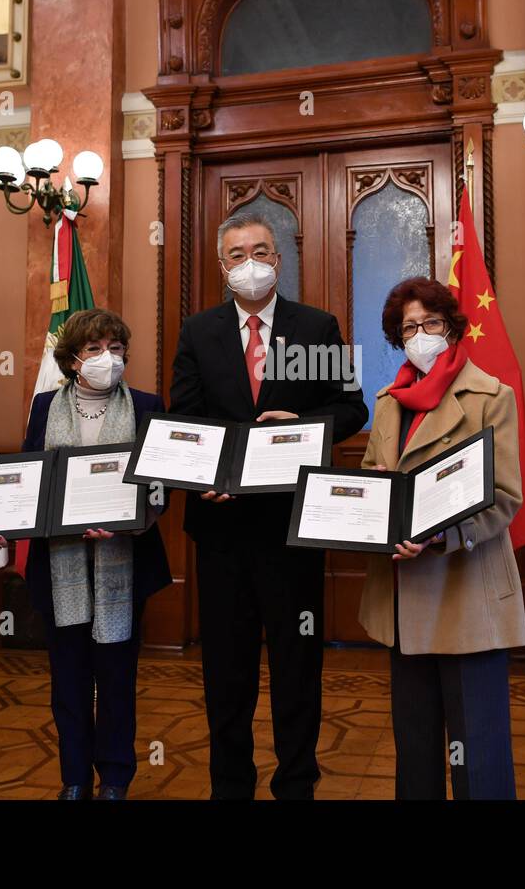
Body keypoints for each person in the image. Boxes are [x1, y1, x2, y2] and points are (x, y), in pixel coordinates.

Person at [170, 211, 368, 799]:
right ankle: (230, 786)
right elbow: (184, 419)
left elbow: (353, 409)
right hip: (222, 526)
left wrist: (305, 425)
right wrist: (202, 473)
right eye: (236, 255)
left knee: (296, 663)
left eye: (260, 251)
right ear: (222, 267)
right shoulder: (198, 332)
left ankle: (296, 784)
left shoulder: (317, 327)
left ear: (279, 260)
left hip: (292, 528)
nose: (250, 263)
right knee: (226, 670)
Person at [0, 309, 170, 800]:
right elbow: (29, 479)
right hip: (57, 564)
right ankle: (74, 778)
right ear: (71, 359)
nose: (107, 358)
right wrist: (2, 522)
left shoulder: (148, 405)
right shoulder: (45, 407)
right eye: (94, 349)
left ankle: (115, 778)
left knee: (116, 677)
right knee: (67, 680)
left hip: (125, 563)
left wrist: (135, 520)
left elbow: (160, 485)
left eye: (116, 348)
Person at [357, 277, 525, 800]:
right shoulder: (389, 402)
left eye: (430, 323)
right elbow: (370, 474)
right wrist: (376, 513)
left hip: (465, 594)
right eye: (409, 327)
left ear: (452, 327)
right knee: (416, 748)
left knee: (478, 753)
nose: (421, 334)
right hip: (402, 596)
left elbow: (504, 496)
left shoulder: (491, 397)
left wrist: (438, 536)